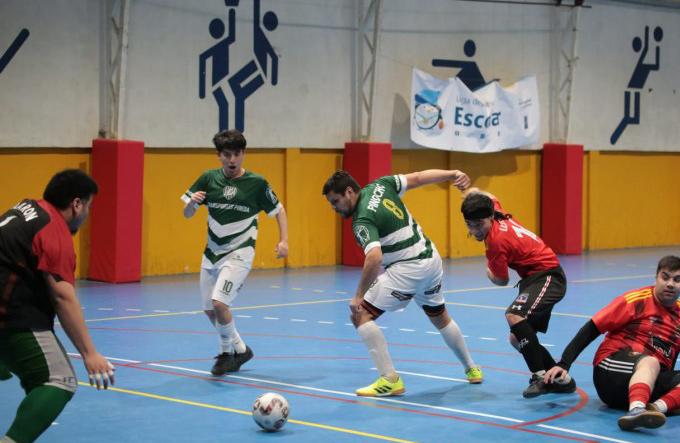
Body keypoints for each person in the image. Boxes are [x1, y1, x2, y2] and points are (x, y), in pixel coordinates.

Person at [322, 170, 483, 397]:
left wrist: (358, 296)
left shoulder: (362, 220)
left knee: (360, 315)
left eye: (335, 202)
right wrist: (451, 174)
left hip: (408, 269)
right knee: (440, 317)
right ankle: (472, 368)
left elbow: (374, 258)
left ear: (349, 191)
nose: (334, 208)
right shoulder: (381, 185)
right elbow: (418, 178)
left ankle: (390, 380)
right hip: (431, 259)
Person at [0, 169, 115, 443]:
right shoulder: (53, 229)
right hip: (10, 316)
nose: (88, 214)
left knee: (18, 365)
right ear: (77, 204)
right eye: (89, 206)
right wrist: (90, 353)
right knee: (59, 380)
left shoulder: (26, 207)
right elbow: (62, 297)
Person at [544, 256, 680, 431]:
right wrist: (564, 363)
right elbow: (592, 328)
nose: (670, 284)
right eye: (665, 277)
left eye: (677, 280)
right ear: (656, 278)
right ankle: (636, 410)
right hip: (610, 374)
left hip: (646, 380)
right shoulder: (635, 300)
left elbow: (672, 356)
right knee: (651, 361)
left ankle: (655, 409)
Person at [182, 129, 288, 376]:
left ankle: (226, 354)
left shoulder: (257, 183)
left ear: (243, 154)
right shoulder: (208, 179)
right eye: (227, 155)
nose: (232, 160)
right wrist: (192, 203)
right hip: (212, 253)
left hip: (240, 252)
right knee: (209, 309)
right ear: (219, 155)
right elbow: (187, 215)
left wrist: (284, 240)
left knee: (220, 303)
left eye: (237, 154)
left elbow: (279, 210)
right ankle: (241, 349)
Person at [460, 188, 575, 398]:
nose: (475, 230)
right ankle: (561, 379)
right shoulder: (495, 209)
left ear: (489, 218)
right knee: (516, 338)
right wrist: (470, 192)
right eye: (469, 224)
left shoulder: (496, 242)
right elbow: (489, 195)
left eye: (479, 225)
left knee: (514, 315)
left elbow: (501, 280)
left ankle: (539, 377)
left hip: (548, 276)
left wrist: (488, 272)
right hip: (532, 279)